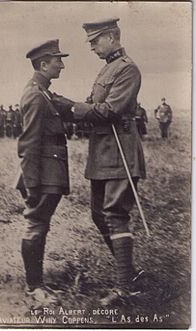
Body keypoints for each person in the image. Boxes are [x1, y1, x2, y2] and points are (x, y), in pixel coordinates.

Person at [53, 18, 146, 305]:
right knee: (98, 214)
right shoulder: (107, 68)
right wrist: (66, 107)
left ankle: (125, 289)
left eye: (95, 41)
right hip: (102, 152)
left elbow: (110, 110)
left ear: (110, 37)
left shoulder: (128, 69)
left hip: (120, 151)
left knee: (115, 214)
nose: (92, 47)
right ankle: (129, 274)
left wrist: (71, 107)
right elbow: (93, 106)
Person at [15, 39, 74, 304]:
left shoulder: (44, 92)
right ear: (43, 64)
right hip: (42, 176)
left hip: (50, 173)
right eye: (57, 61)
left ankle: (38, 284)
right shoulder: (35, 95)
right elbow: (28, 143)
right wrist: (32, 184)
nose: (62, 65)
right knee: (36, 226)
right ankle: (34, 288)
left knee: (40, 226)